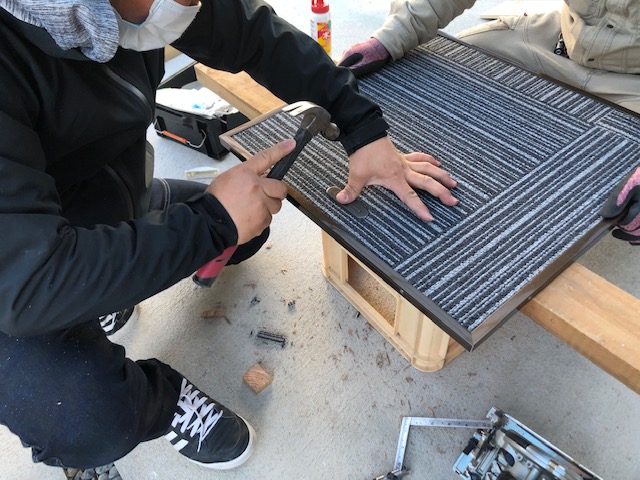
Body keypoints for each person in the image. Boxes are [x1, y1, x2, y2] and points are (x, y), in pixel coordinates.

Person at [0, 0, 461, 473]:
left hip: (82, 194)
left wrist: (362, 127)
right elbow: (27, 282)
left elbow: (254, 35)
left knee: (247, 233)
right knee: (84, 421)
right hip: (17, 282)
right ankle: (159, 402)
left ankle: (106, 277)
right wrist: (211, 221)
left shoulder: (137, 8)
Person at [338, 0, 640, 244]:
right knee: (425, 70)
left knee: (597, 184)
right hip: (558, 39)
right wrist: (391, 38)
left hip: (632, 83)